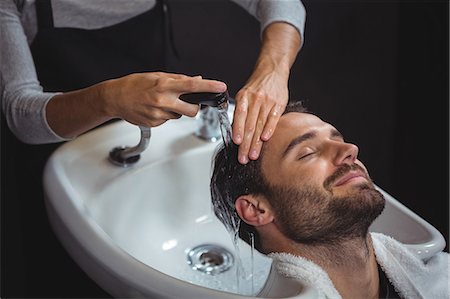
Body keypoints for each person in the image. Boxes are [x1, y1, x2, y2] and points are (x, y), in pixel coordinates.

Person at [1, 0, 305, 163]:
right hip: (56, 152)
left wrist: (273, 71)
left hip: (151, 133)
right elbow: (20, 114)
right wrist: (107, 99)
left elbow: (282, 3)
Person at [210, 101, 449, 299]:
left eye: (338, 139)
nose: (350, 149)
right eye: (308, 153)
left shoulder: (440, 278)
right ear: (256, 209)